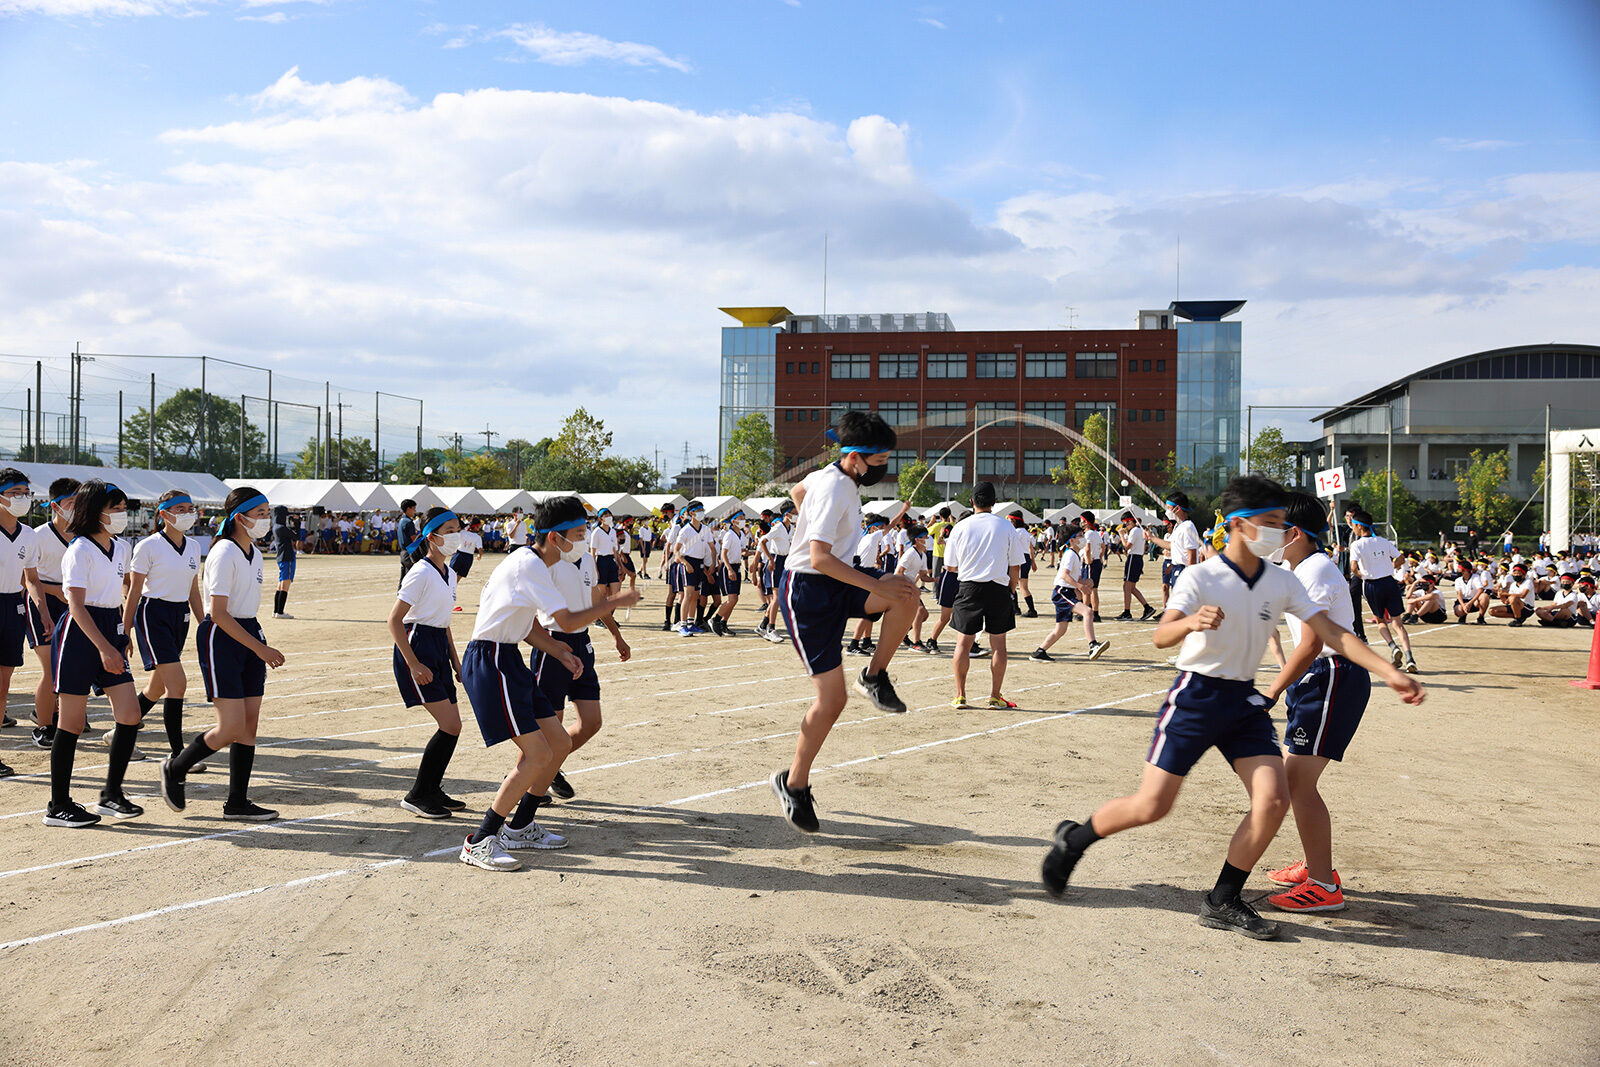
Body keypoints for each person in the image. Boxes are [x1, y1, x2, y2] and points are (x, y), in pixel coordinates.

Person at [1039, 475, 1426, 940]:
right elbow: (1161, 634)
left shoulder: (1283, 580)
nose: (1279, 533)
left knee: (1275, 798)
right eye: (1270, 522)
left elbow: (1332, 633)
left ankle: (1223, 898)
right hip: (1197, 697)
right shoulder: (1203, 575)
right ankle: (1075, 840)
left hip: (1242, 702)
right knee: (1153, 805)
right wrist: (1190, 622)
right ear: (1240, 525)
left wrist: (1389, 671)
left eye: (1283, 524)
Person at [453, 501, 625, 870]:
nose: (583, 541)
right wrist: (619, 602)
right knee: (538, 754)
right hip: (491, 661)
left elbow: (528, 623)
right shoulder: (530, 564)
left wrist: (560, 652)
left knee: (559, 743)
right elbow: (565, 617)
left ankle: (521, 825)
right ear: (555, 536)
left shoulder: (539, 565)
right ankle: (480, 840)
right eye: (579, 535)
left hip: (508, 658)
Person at [771, 411, 919, 834]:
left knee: (906, 594)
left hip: (837, 577)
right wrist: (871, 580)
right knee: (832, 701)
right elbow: (817, 557)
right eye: (880, 460)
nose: (884, 467)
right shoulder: (835, 487)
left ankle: (874, 675)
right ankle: (793, 784)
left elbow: (798, 490)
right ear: (856, 457)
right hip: (808, 592)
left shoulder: (831, 476)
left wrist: (880, 582)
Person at [1257, 492, 1372, 913]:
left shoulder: (1317, 569)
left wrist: (1272, 690)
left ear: (1295, 533)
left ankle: (1324, 886)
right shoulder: (1298, 567)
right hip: (1318, 680)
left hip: (1333, 677)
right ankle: (1316, 866)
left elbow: (1311, 644)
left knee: (1297, 783)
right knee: (1297, 782)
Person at [159, 487, 287, 822]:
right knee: (230, 726)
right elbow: (218, 613)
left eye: (267, 513)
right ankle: (176, 767)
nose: (266, 519)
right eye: (260, 513)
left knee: (249, 724)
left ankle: (237, 802)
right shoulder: (224, 552)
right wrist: (260, 648)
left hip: (247, 631)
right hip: (223, 638)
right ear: (239, 516)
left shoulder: (255, 553)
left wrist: (257, 642)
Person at [528, 496, 640, 805]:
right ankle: (534, 776)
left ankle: (549, 768)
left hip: (582, 644)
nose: (585, 535)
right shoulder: (541, 564)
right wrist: (552, 648)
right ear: (557, 534)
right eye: (579, 531)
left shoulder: (585, 559)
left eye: (584, 528)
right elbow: (527, 619)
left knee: (591, 723)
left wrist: (617, 635)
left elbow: (596, 604)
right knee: (553, 728)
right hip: (553, 645)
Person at [45, 480, 144, 826]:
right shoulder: (80, 549)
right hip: (79, 633)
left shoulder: (121, 547)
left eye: (123, 509)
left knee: (130, 714)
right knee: (71, 722)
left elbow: (114, 595)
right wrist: (103, 647)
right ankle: (58, 805)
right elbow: (75, 605)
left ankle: (111, 795)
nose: (122, 515)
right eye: (114, 509)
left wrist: (121, 634)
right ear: (94, 511)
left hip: (108, 626)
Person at [388, 508, 468, 819]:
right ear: (431, 536)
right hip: (418, 647)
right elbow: (394, 620)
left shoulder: (448, 573)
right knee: (451, 725)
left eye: (457, 528)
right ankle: (419, 794)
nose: (455, 535)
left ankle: (432, 788)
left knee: (452, 726)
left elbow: (444, 623)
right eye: (449, 530)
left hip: (437, 647)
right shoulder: (420, 572)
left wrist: (456, 661)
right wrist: (413, 664)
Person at [126, 489, 206, 770]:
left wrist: (204, 622)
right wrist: (125, 629)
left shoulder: (194, 547)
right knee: (178, 683)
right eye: (180, 509)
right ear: (164, 514)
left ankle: (120, 731)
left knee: (157, 687)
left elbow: (193, 590)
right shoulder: (148, 546)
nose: (188, 513)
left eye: (190, 508)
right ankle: (178, 756)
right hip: (152, 613)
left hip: (179, 615)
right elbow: (134, 591)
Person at [944, 482, 1024, 710]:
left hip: (969, 587)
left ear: (972, 502)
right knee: (999, 644)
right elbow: (1015, 565)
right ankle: (994, 696)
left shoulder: (960, 527)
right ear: (994, 503)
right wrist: (1010, 589)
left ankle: (960, 695)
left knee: (963, 643)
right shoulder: (1006, 526)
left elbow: (950, 566)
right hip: (998, 587)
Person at [25, 477, 78, 750]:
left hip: (73, 604)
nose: (77, 507)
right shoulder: (39, 536)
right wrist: (55, 591)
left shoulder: (85, 534)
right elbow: (27, 580)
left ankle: (59, 713)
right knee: (50, 667)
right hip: (42, 602)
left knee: (68, 664)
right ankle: (43, 726)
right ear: (55, 506)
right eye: (71, 502)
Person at [0, 470, 37, 777]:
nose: (22, 498)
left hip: (13, 606)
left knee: (3, 686)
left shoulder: (28, 535)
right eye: (15, 492)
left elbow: (32, 579)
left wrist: (45, 612)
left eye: (26, 491)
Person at [1349, 511, 1418, 672]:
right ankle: (1409, 658)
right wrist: (1389, 568)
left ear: (1359, 526)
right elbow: (1401, 558)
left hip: (1372, 585)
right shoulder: (1383, 541)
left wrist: (1363, 576)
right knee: (1398, 623)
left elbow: (1353, 567)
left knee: (1380, 621)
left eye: (1353, 525)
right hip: (1389, 582)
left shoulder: (1357, 544)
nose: (1353, 529)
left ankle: (1393, 647)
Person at [1031, 523, 1108, 662]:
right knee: (1088, 612)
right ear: (1071, 540)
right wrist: (1080, 586)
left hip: (1066, 591)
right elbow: (1064, 575)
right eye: (1080, 536)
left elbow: (1074, 577)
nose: (1083, 538)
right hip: (1062, 592)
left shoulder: (1076, 555)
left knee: (1061, 629)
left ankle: (1039, 652)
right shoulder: (1070, 555)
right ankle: (1093, 645)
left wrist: (1086, 581)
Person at [1149, 493, 1200, 607]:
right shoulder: (1178, 526)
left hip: (1184, 570)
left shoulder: (1188, 527)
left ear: (1178, 509)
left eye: (1168, 508)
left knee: (1182, 606)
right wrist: (1152, 538)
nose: (1167, 511)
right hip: (1176, 568)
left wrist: (1190, 578)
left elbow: (1192, 557)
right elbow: (1171, 546)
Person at [759, 505, 793, 642]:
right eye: (795, 511)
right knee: (776, 597)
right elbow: (762, 541)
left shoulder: (790, 529)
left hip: (785, 561)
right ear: (787, 514)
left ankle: (762, 625)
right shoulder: (778, 527)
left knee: (779, 598)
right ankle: (771, 629)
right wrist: (770, 559)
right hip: (776, 561)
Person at [1115, 512, 1157, 621]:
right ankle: (1147, 607)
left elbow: (1126, 547)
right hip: (1137, 558)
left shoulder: (1134, 531)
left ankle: (1127, 612)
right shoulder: (1138, 531)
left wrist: (1121, 535)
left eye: (1125, 523)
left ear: (1130, 521)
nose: (1125, 526)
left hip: (1134, 558)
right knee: (1131, 587)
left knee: (1127, 586)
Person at [713, 511, 747, 636]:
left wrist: (753, 552)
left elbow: (742, 551)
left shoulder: (740, 534)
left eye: (744, 518)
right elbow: (723, 554)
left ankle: (723, 623)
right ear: (733, 521)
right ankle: (715, 620)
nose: (743, 520)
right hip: (729, 567)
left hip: (736, 566)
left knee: (735, 599)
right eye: (740, 518)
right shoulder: (729, 534)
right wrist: (729, 569)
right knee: (731, 599)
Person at [588, 508, 621, 605]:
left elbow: (615, 549)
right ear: (600, 518)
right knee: (602, 592)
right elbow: (592, 552)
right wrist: (595, 569)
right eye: (605, 516)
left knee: (615, 593)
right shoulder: (596, 532)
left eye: (609, 515)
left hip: (611, 560)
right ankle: (599, 617)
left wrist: (619, 565)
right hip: (601, 561)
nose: (608, 517)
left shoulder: (613, 532)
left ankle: (609, 617)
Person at [1011, 513, 1039, 618]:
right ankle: (1016, 608)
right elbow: (1030, 547)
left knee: (1020, 586)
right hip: (1025, 558)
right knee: (1017, 585)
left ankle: (1031, 610)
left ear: (1014, 522)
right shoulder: (1026, 532)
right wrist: (1033, 561)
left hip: (1019, 558)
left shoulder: (1017, 532)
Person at [271, 504, 296, 620]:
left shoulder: (276, 527)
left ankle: (276, 610)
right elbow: (297, 536)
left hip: (281, 556)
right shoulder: (282, 527)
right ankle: (280, 611)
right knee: (286, 584)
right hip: (287, 556)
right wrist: (297, 523)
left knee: (280, 584)